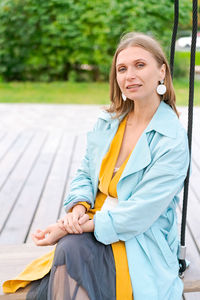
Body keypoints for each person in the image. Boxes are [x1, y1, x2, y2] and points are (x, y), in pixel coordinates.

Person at [3, 32, 190, 300]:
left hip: (138, 239)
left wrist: (71, 226)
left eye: (140, 65)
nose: (129, 76)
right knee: (70, 248)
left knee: (69, 247)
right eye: (121, 69)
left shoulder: (171, 139)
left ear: (162, 71)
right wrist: (78, 208)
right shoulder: (109, 121)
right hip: (93, 222)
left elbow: (139, 214)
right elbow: (85, 175)